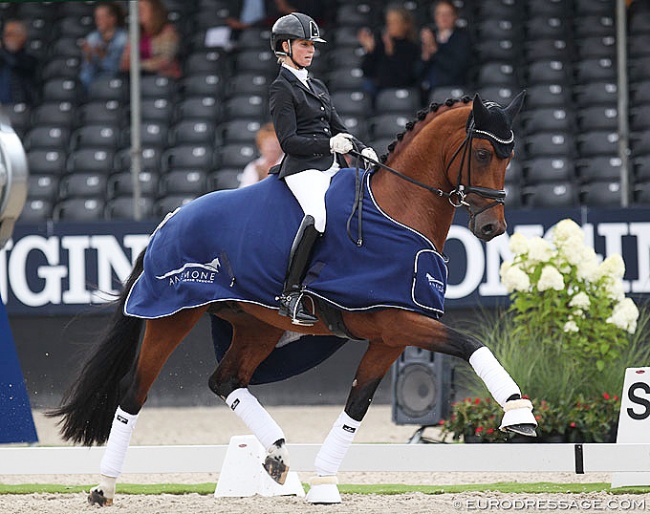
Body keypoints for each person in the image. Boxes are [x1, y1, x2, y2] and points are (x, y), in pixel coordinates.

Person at [268, 12, 377, 326]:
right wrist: (329, 146)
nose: (311, 50)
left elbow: (338, 127)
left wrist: (362, 148)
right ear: (285, 46)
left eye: (312, 45)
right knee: (320, 218)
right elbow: (289, 142)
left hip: (331, 166)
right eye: (304, 44)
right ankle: (289, 294)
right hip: (303, 169)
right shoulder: (281, 89)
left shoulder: (315, 84)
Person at [357, 5, 420, 107]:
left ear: (405, 25)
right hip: (381, 93)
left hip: (403, 92)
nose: (390, 25)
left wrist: (391, 53)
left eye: (395, 22)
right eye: (389, 22)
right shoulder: (382, 45)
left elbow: (406, 77)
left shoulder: (412, 47)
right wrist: (370, 51)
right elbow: (367, 71)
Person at [418, 0, 472, 102]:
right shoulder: (429, 38)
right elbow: (417, 73)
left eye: (447, 14)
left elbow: (457, 68)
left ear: (455, 17)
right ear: (435, 17)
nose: (444, 18)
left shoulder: (462, 38)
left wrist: (435, 50)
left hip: (453, 91)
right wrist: (425, 56)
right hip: (428, 94)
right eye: (440, 14)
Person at [120, 0, 181, 79]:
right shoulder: (135, 33)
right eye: (137, 9)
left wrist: (138, 65)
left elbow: (165, 60)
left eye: (142, 9)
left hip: (163, 77)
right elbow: (125, 62)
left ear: (154, 11)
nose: (139, 12)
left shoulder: (168, 33)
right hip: (140, 78)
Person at [79, 2, 128, 92]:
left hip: (114, 76)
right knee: (84, 76)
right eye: (97, 17)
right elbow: (87, 67)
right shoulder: (92, 38)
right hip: (95, 75)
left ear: (112, 18)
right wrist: (89, 56)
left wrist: (102, 56)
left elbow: (117, 68)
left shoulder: (123, 39)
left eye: (102, 17)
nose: (98, 21)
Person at [0, 19, 38, 105]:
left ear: (22, 37)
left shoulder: (29, 59)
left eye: (11, 35)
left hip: (19, 105)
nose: (7, 39)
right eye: (5, 35)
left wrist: (2, 50)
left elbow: (15, 63)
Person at [238, 122, 284, 188]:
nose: (272, 148)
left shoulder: (286, 166)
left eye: (275, 144)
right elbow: (244, 190)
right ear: (260, 148)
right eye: (268, 145)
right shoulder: (253, 167)